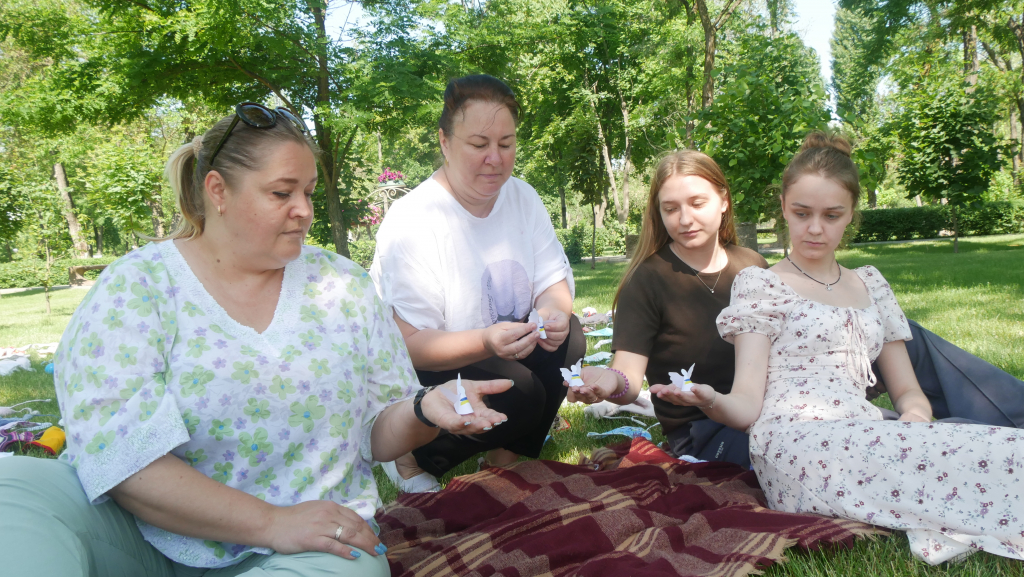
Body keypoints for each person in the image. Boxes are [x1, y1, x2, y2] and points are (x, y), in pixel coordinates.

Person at [0, 103, 510, 577]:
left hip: (303, 546)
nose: (304, 210)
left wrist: (424, 409)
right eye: (281, 193)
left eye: (308, 192)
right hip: (142, 538)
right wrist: (268, 521)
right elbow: (123, 459)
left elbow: (375, 433)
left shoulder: (343, 286)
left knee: (353, 565)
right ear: (218, 191)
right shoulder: (138, 287)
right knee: (14, 489)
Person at [679, 131, 1024, 564]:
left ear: (850, 217)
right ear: (783, 207)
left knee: (998, 450)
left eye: (832, 215)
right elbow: (748, 407)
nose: (816, 228)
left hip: (864, 426)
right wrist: (711, 401)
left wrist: (915, 421)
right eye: (802, 213)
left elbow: (908, 392)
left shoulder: (871, 283)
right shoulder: (759, 284)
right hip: (795, 441)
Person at [570, 150, 1024, 468]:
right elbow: (627, 375)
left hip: (801, 390)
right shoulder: (646, 280)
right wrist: (608, 383)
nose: (685, 218)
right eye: (671, 208)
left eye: (697, 203)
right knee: (877, 443)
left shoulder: (752, 264)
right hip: (721, 426)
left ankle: (1010, 414)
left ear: (724, 201)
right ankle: (972, 442)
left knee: (901, 334)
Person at [370, 74, 585, 491]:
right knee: (519, 390)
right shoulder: (414, 220)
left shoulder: (523, 198)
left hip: (500, 347)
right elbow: (410, 344)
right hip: (429, 366)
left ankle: (505, 455)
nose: (496, 158)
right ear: (445, 142)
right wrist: (486, 341)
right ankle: (410, 456)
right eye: (479, 144)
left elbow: (554, 285)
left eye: (506, 144)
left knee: (570, 338)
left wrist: (552, 313)